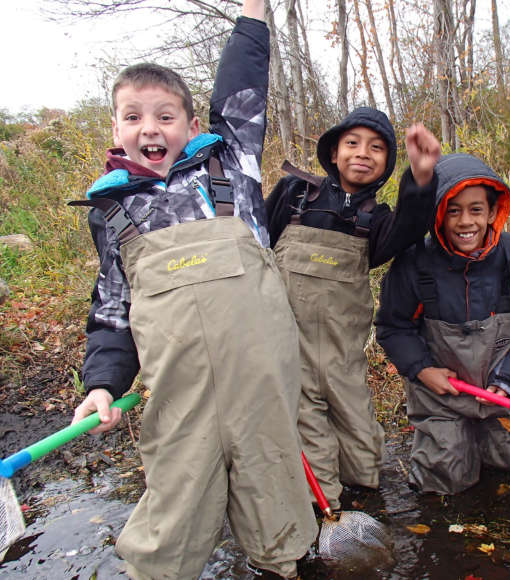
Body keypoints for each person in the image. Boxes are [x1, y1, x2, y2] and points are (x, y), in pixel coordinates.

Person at [68, 2, 317, 578]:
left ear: (190, 124)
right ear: (115, 128)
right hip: (180, 395)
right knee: (175, 504)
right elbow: (112, 310)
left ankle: (282, 564)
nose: (149, 128)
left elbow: (242, 85)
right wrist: (103, 384)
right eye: (132, 117)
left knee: (275, 494)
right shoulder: (111, 211)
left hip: (263, 382)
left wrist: (253, 12)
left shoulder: (231, 166)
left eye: (165, 116)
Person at [264, 111, 441, 510]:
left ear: (387, 162)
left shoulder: (376, 220)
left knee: (360, 437)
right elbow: (255, 237)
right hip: (291, 347)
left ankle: (365, 497)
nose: (363, 154)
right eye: (353, 143)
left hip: (344, 354)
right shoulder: (294, 194)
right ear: (333, 151)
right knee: (309, 426)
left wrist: (422, 176)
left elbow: (411, 228)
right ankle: (323, 507)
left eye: (377, 148)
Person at [374, 153, 510, 495]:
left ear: (493, 212)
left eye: (476, 210)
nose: (465, 221)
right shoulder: (413, 264)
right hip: (439, 394)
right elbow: (393, 328)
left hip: (501, 395)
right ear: (437, 214)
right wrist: (424, 371)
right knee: (444, 480)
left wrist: (509, 380)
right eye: (453, 210)